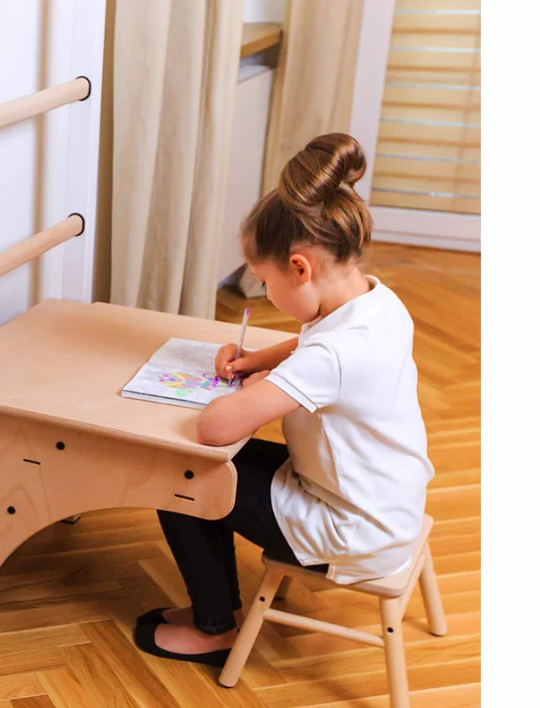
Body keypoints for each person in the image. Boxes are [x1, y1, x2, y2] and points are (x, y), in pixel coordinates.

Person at [133, 133, 434, 667]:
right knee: (212, 471)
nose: (267, 295)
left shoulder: (331, 359)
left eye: (265, 282)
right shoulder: (377, 301)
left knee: (180, 472)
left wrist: (254, 391)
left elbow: (215, 429)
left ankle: (214, 628)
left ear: (300, 268)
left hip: (350, 527)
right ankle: (215, 610)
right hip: (385, 501)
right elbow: (317, 342)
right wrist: (260, 361)